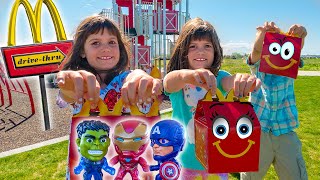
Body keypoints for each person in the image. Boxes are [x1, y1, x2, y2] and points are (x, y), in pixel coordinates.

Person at [163, 17, 261, 179]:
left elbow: (230, 82)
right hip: (183, 163)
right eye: (193, 46)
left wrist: (242, 80)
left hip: (217, 162)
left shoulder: (220, 78)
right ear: (183, 52)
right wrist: (190, 76)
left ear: (215, 51)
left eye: (207, 46)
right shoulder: (180, 80)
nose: (200, 51)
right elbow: (169, 82)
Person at [240, 22, 308, 179]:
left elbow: (296, 48)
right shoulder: (258, 66)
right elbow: (257, 50)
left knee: (295, 175)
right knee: (250, 176)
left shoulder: (289, 67)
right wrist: (263, 34)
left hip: (285, 131)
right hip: (258, 133)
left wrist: (301, 35)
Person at [56, 15, 162, 114]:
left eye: (112, 42)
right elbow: (64, 98)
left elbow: (131, 76)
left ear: (120, 49)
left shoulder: (125, 79)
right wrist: (68, 87)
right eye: (95, 43)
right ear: (82, 51)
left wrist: (139, 76)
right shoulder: (81, 83)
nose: (106, 49)